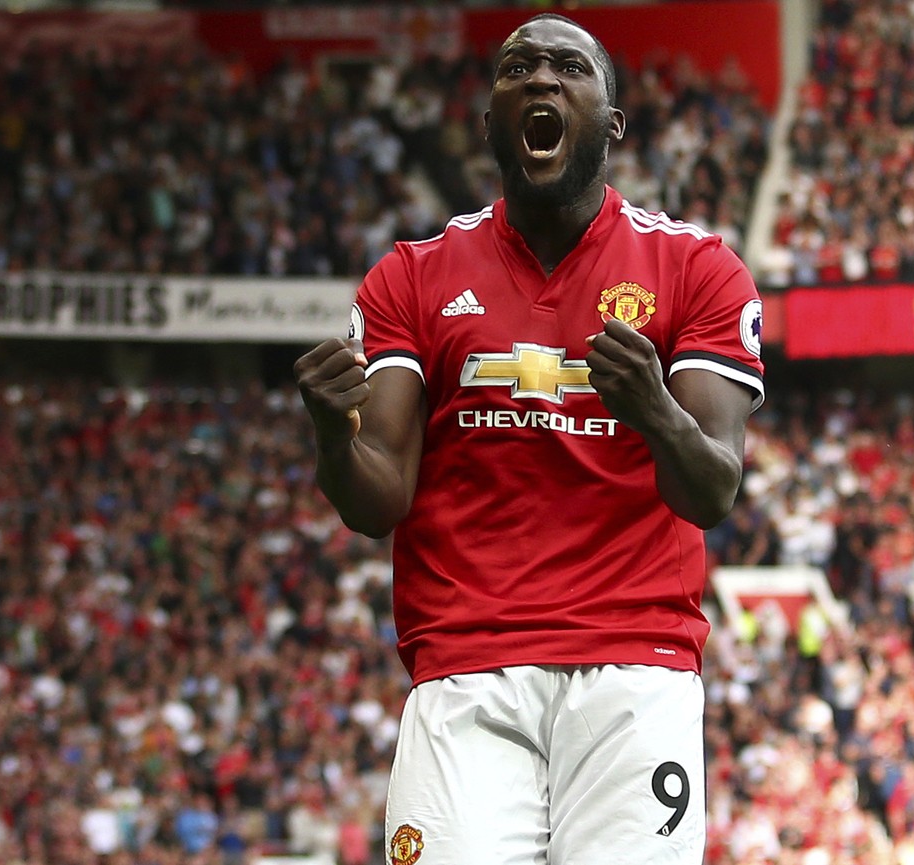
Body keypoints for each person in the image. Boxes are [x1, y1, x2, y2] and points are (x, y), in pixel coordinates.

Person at [294, 13, 765, 864]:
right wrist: (334, 438)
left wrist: (653, 408)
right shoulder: (412, 275)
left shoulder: (697, 269)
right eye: (518, 68)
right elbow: (379, 499)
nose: (541, 79)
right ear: (490, 120)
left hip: (635, 662)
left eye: (568, 68)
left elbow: (713, 488)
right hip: (465, 663)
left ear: (612, 122)